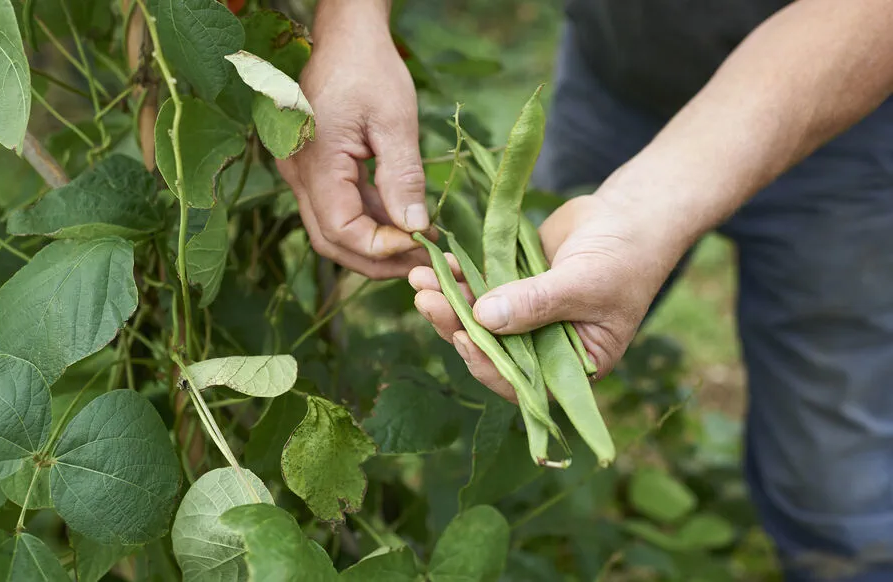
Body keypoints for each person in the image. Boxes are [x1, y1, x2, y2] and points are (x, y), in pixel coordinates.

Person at [275, 1, 893, 580]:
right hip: (616, 76)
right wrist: (352, 22)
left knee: (839, 482)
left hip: (853, 106)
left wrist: (644, 210)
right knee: (518, 368)